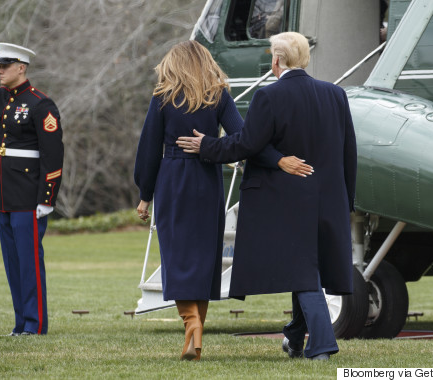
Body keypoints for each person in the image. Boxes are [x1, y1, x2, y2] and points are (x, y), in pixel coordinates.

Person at [176, 32, 357, 361]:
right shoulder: (336, 95)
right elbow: (349, 154)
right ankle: (294, 336)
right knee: (306, 269)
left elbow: (247, 144)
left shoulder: (268, 97)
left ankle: (323, 346)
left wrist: (206, 146)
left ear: (276, 60)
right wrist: (348, 201)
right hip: (329, 199)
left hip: (285, 202)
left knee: (303, 273)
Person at [134, 40, 311, 361]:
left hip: (174, 180)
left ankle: (192, 326)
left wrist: (145, 195)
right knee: (203, 257)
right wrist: (278, 160)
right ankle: (196, 327)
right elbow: (245, 138)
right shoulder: (218, 95)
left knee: (177, 257)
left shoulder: (163, 97)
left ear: (174, 64)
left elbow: (148, 150)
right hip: (207, 180)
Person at [0, 43, 64, 336]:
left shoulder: (41, 104)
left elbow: (53, 155)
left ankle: (35, 325)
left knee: (29, 262)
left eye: (5, 66)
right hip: (4, 193)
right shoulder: (1, 98)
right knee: (13, 264)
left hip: (29, 196)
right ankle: (21, 324)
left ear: (22, 67)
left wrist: (47, 197)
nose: (0, 70)